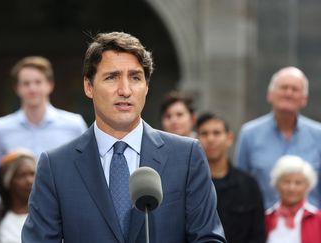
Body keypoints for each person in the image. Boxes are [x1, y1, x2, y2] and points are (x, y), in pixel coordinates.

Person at [22, 31, 226, 243]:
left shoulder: (187, 156)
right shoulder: (55, 166)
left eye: (135, 77)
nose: (125, 90)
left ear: (146, 87)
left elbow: (208, 238)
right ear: (88, 86)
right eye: (112, 77)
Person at [235, 66, 321, 209]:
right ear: (270, 95)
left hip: (312, 226)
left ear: (304, 99)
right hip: (262, 225)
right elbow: (240, 187)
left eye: (295, 89)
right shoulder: (249, 134)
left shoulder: (318, 135)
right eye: (283, 87)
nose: (288, 93)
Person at [0, 56, 88, 173]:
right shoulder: (1, 128)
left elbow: (85, 167)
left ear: (50, 85)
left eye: (38, 82)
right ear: (17, 88)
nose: (32, 88)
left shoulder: (74, 124)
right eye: (26, 83)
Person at [196, 112, 265, 243]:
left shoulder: (249, 184)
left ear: (229, 138)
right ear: (197, 139)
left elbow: (257, 233)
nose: (210, 139)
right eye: (204, 134)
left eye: (216, 133)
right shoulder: (190, 183)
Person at [265, 155, 321, 243]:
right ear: (277, 184)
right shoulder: (266, 218)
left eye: (298, 183)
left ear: (307, 186)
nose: (292, 188)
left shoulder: (318, 219)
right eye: (286, 182)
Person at [0, 149, 36, 243]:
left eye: (32, 174)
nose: (30, 181)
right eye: (22, 175)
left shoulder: (47, 214)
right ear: (8, 181)